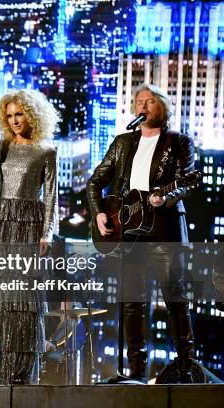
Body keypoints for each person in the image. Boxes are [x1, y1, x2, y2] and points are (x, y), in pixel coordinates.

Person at [87, 84, 195, 383]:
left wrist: (166, 198)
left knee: (175, 300)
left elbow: (185, 182)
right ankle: (136, 371)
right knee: (133, 302)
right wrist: (99, 213)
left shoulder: (179, 142)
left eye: (150, 101)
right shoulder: (123, 142)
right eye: (138, 101)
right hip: (128, 232)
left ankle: (186, 368)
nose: (143, 106)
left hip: (164, 230)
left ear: (163, 107)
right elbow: (95, 181)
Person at [0, 89, 60, 384]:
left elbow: (51, 198)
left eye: (19, 114)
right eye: (9, 116)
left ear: (32, 115)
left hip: (28, 227)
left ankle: (20, 373)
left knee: (22, 299)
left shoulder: (47, 151)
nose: (14, 120)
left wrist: (47, 232)